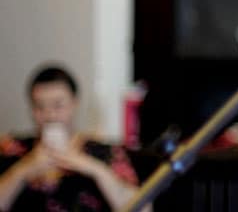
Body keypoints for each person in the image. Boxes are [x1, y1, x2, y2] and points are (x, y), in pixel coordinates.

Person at [0, 64, 147, 211]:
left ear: (74, 104)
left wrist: (93, 168)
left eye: (58, 105)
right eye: (39, 106)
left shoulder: (105, 152)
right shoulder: (12, 149)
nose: (49, 115)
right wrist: (24, 169)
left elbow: (143, 209)